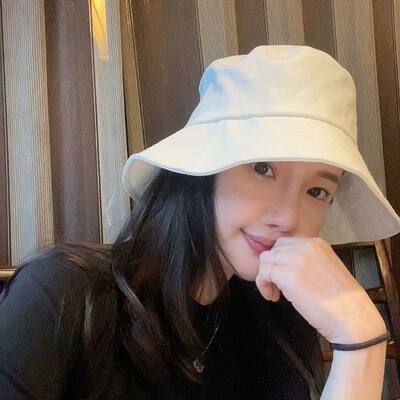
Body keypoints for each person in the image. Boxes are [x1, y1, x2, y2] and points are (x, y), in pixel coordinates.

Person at [1, 45, 399, 400]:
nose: (289, 218)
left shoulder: (275, 322)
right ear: (203, 172)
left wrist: (360, 343)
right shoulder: (63, 296)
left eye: (317, 191)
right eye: (263, 168)